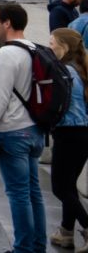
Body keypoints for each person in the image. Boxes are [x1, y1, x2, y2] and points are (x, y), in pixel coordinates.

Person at [0, 2, 46, 253]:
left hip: (13, 131)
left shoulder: (6, 54)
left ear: (7, 23)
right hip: (36, 132)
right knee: (33, 193)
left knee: (18, 194)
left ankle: (23, 249)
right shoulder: (35, 48)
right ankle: (38, 246)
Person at [48, 28, 88, 250]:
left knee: (60, 188)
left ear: (64, 47)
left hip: (68, 133)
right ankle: (65, 232)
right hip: (83, 133)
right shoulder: (81, 68)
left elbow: (58, 105)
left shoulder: (65, 72)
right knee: (69, 185)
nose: (49, 47)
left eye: (52, 43)